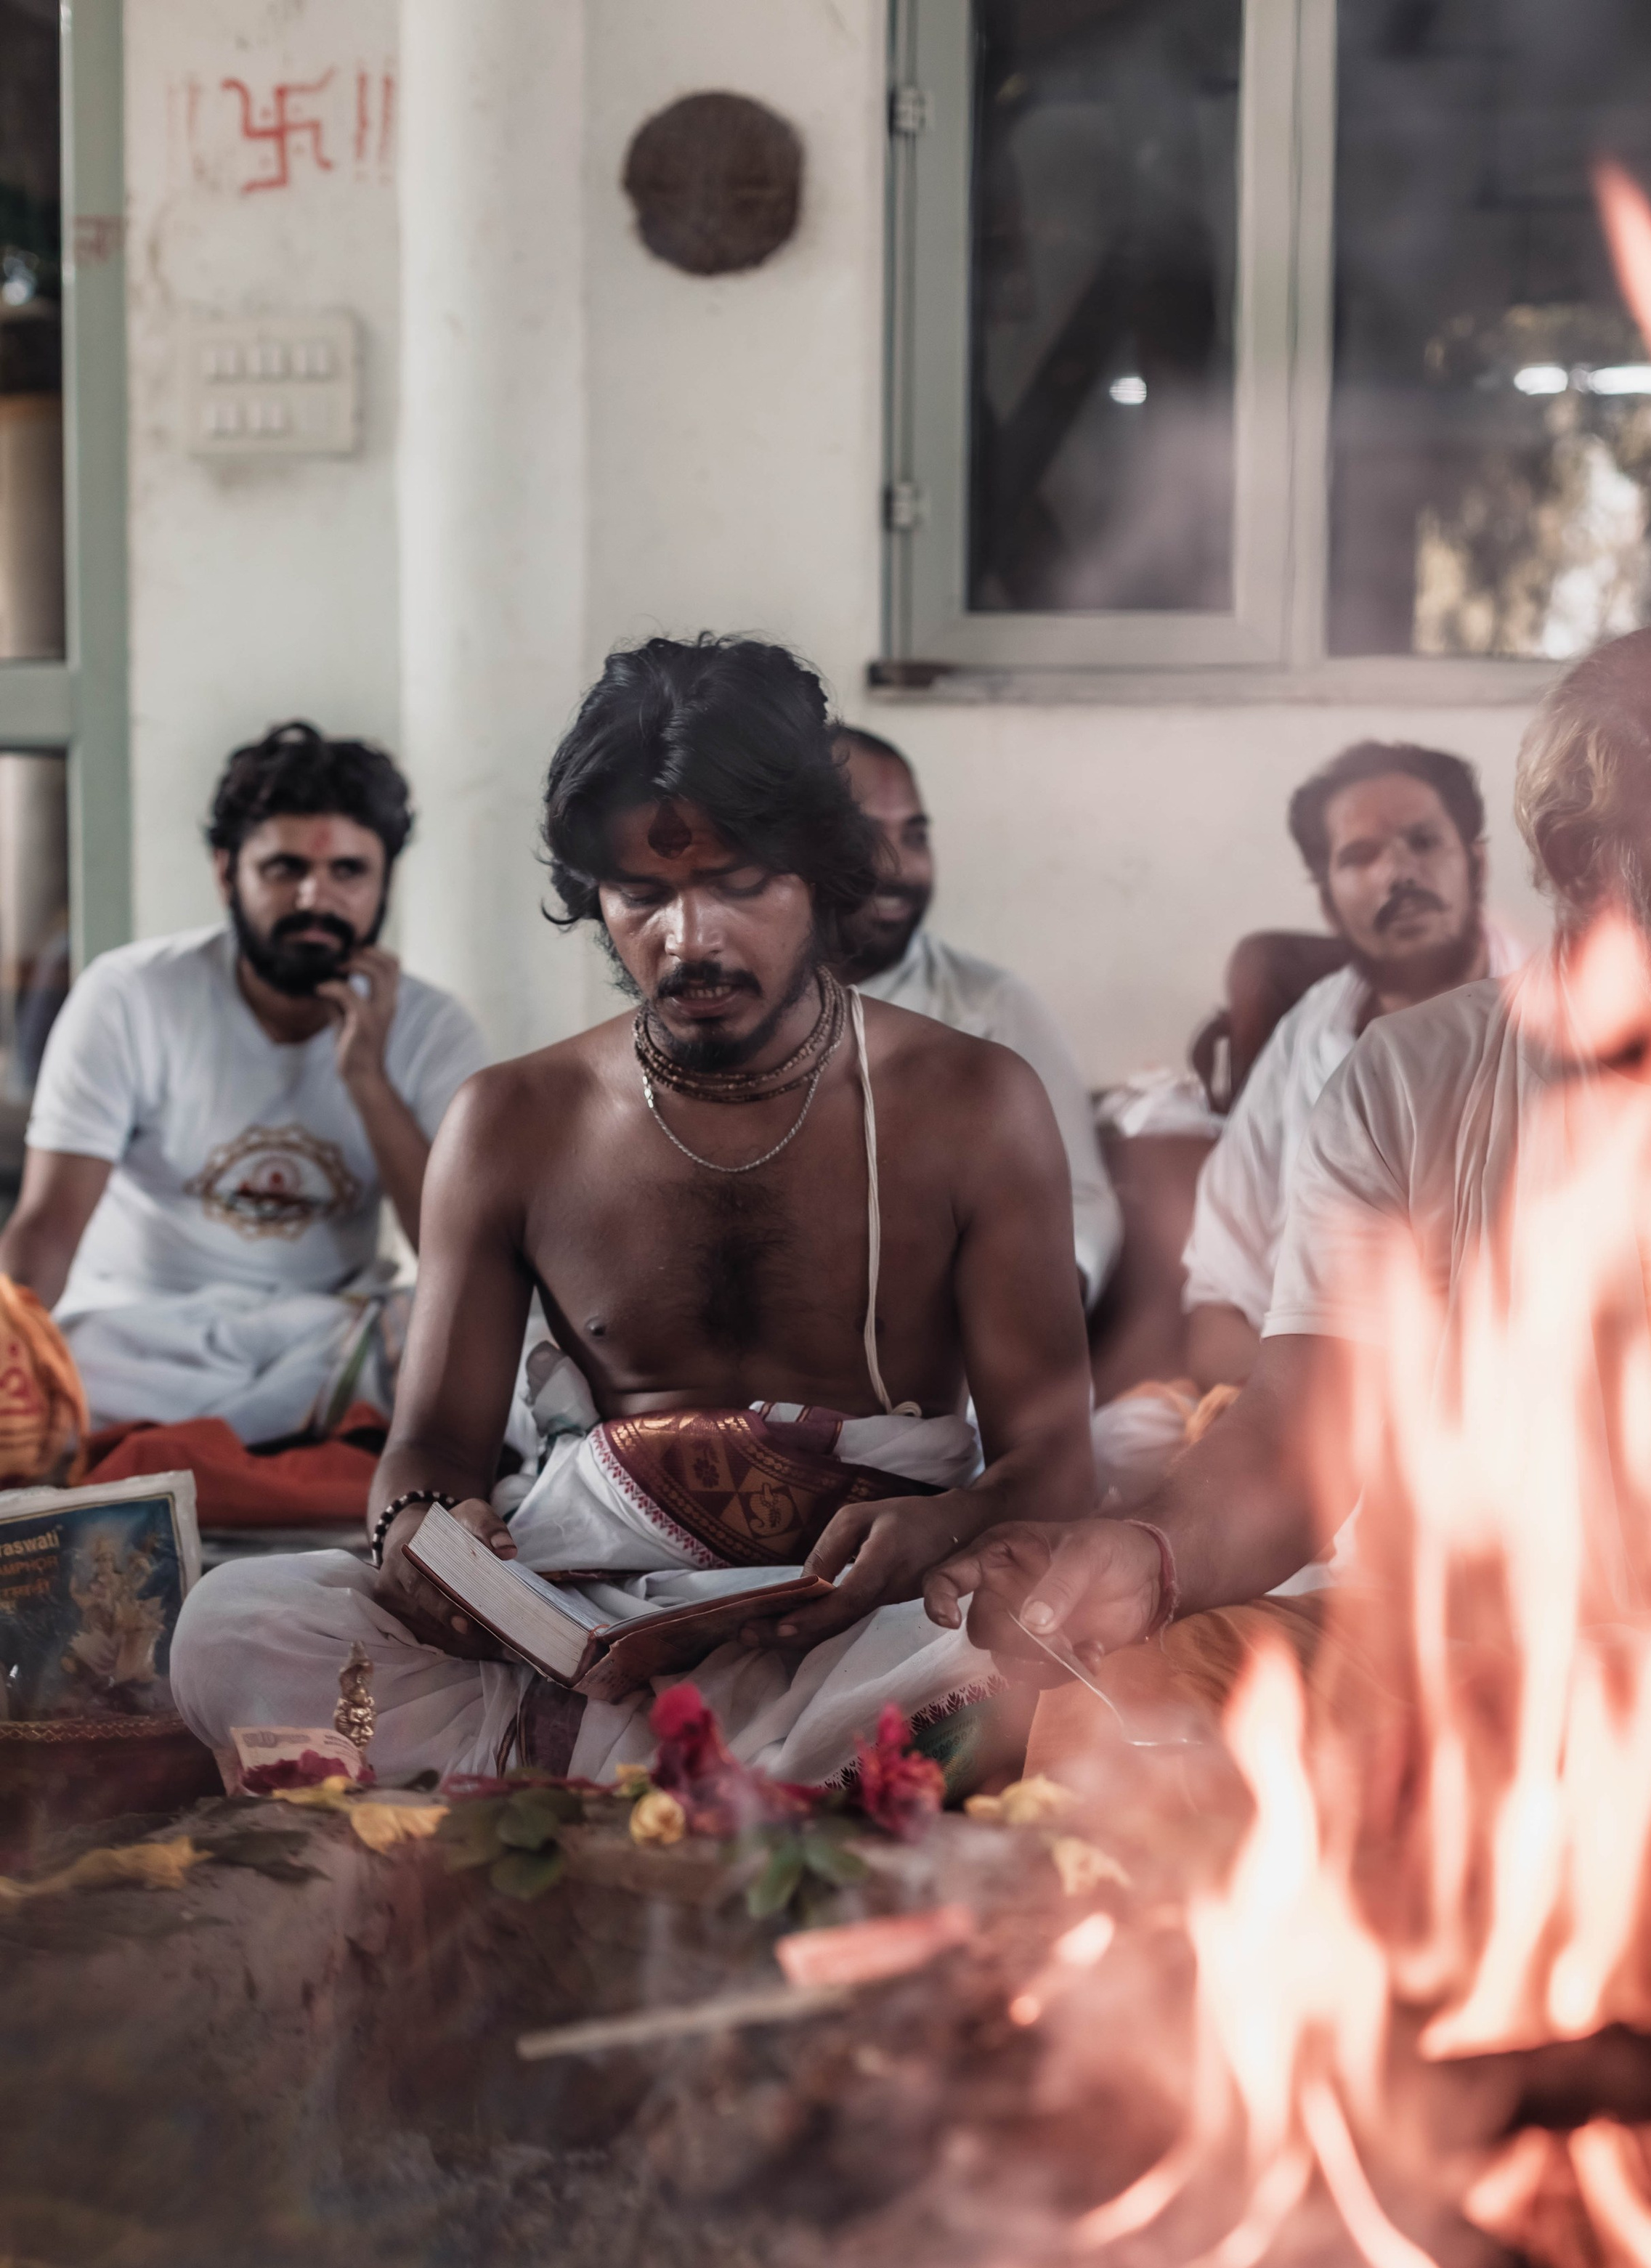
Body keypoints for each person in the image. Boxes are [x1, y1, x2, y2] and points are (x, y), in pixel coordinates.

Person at [171, 637, 1095, 1789]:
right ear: (592, 897)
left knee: (1044, 1655)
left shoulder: (971, 1101)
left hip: (861, 1623)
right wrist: (414, 1531)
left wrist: (945, 1527)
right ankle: (717, 1772)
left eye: (742, 884)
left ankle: (597, 1774)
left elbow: (1056, 1462)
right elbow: (433, 1448)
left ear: (821, 876)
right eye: (644, 894)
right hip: (586, 1620)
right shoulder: (512, 1119)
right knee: (232, 1625)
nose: (690, 938)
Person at [925, 624, 1651, 1732]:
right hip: (1471, 1668)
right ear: (1577, 857)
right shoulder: (1410, 1082)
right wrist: (1145, 1553)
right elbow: (1303, 1437)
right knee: (1124, 1701)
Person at [0, 722, 486, 1444]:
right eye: (284, 869)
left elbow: (456, 1254)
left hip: (325, 1336)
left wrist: (366, 1079)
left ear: (383, 882)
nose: (314, 899)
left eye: (349, 872)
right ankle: (287, 1449)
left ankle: (223, 1446)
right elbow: (47, 1226)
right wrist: (16, 1367)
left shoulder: (431, 1025)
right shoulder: (131, 995)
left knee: (492, 1352)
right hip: (144, 1336)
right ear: (227, 872)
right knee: (57, 1365)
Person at [1181, 740, 1526, 1396]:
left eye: (1424, 841)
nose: (1398, 872)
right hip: (1288, 1408)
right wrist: (1293, 1417)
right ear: (1328, 902)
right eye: (1360, 856)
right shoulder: (1306, 1034)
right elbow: (1216, 1311)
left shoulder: (1561, 1030)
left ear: (1475, 865)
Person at [836, 727, 1121, 1306]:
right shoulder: (736, 1014)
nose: (902, 868)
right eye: (865, 836)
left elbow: (1080, 1204)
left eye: (914, 836)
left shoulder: (989, 1008)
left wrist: (1024, 1319)